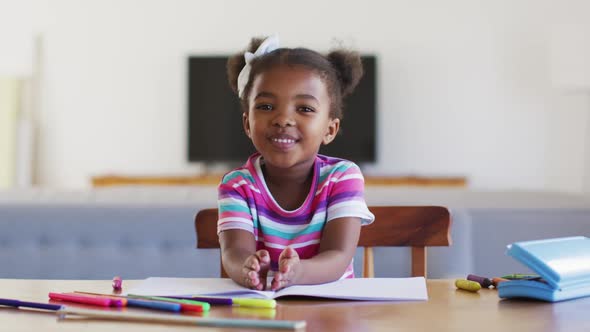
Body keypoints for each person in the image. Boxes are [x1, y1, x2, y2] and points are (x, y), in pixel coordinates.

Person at [217, 35, 375, 291]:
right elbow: (234, 252)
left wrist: (299, 272)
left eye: (304, 109)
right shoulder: (237, 185)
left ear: (330, 129)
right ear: (247, 123)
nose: (283, 119)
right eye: (266, 106)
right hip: (265, 314)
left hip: (333, 314)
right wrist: (247, 267)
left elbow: (338, 255)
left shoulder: (342, 177)